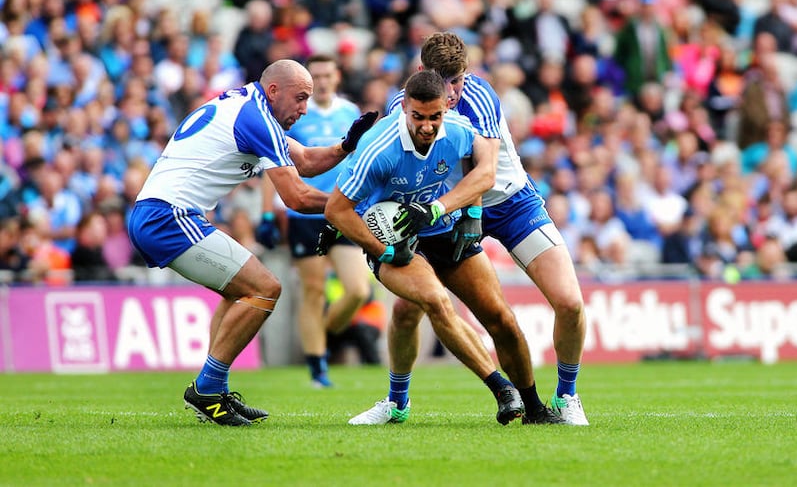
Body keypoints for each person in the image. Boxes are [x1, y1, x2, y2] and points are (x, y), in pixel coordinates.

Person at [127, 59, 378, 426]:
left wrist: (344, 146)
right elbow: (297, 197)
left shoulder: (251, 108)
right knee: (265, 288)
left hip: (161, 214)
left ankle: (214, 390)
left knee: (240, 292)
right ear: (274, 90)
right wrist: (357, 204)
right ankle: (207, 389)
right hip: (168, 217)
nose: (305, 109)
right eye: (300, 98)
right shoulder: (256, 118)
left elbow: (305, 160)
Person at [381, 32, 589, 425]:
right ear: (423, 72)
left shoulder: (480, 96)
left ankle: (566, 396)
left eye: (457, 80)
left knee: (570, 302)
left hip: (509, 202)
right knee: (407, 307)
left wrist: (468, 217)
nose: (452, 91)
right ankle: (397, 402)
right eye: (443, 81)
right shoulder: (405, 106)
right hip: (444, 212)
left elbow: (484, 172)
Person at [322, 69, 526, 426]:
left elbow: (480, 170)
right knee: (435, 300)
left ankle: (397, 404)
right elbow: (336, 209)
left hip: (443, 228)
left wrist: (473, 213)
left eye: (435, 117)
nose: (428, 126)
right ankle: (501, 388)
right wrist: (382, 250)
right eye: (419, 117)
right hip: (394, 238)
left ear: (446, 108)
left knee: (495, 315)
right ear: (403, 107)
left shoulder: (459, 130)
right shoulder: (377, 149)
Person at [259, 55, 373, 388]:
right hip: (303, 212)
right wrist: (268, 211)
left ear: (337, 77)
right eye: (316, 76)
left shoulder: (349, 114)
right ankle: (317, 366)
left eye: (327, 74)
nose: (322, 81)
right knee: (314, 290)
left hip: (343, 208)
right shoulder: (297, 116)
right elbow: (274, 163)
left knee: (356, 290)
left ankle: (322, 336)